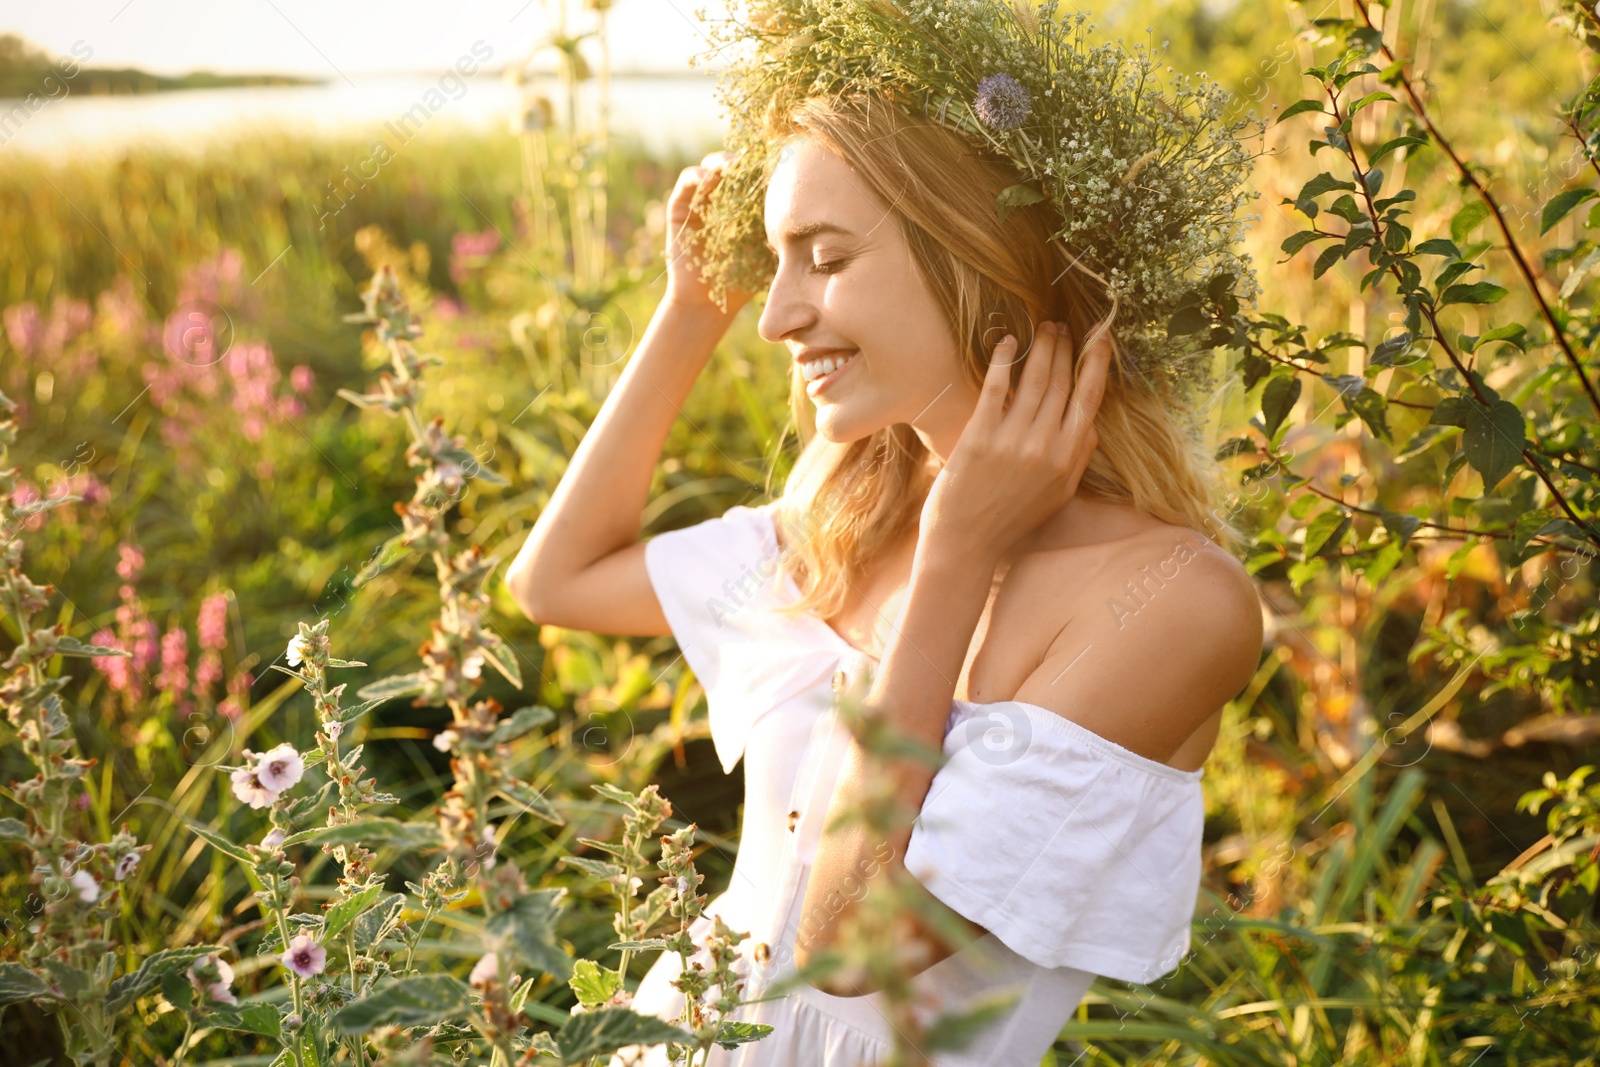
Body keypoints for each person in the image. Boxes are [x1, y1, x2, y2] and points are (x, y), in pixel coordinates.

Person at [505, 5, 1265, 1062]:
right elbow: (558, 580)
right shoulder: (850, 506)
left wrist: (959, 555)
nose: (775, 318)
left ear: (977, 256)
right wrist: (687, 311)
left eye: (822, 257)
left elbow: (851, 942)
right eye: (774, 262)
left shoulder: (1174, 600)